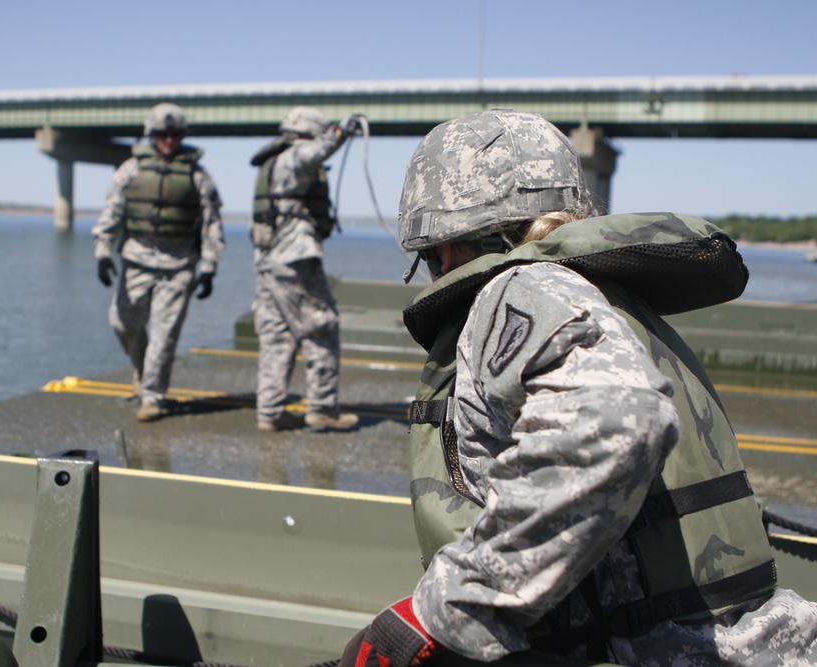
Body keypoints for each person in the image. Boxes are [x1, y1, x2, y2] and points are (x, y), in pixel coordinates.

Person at [341, 109, 817, 665]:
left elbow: (618, 419)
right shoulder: (609, 297)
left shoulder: (521, 288)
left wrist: (446, 612)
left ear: (443, 248)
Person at [93, 102, 224, 422]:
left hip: (179, 264)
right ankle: (142, 370)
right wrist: (102, 250)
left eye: (175, 134)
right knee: (123, 323)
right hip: (137, 259)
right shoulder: (131, 169)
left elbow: (211, 222)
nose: (169, 140)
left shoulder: (198, 175)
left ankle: (152, 396)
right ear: (152, 135)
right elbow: (113, 211)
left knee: (165, 336)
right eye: (163, 134)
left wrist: (209, 266)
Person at [248, 106, 362, 432]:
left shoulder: (272, 161)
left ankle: (270, 412)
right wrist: (339, 133)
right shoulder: (295, 156)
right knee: (321, 327)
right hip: (294, 258)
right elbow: (312, 153)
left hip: (268, 260)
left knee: (276, 335)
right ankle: (323, 408)